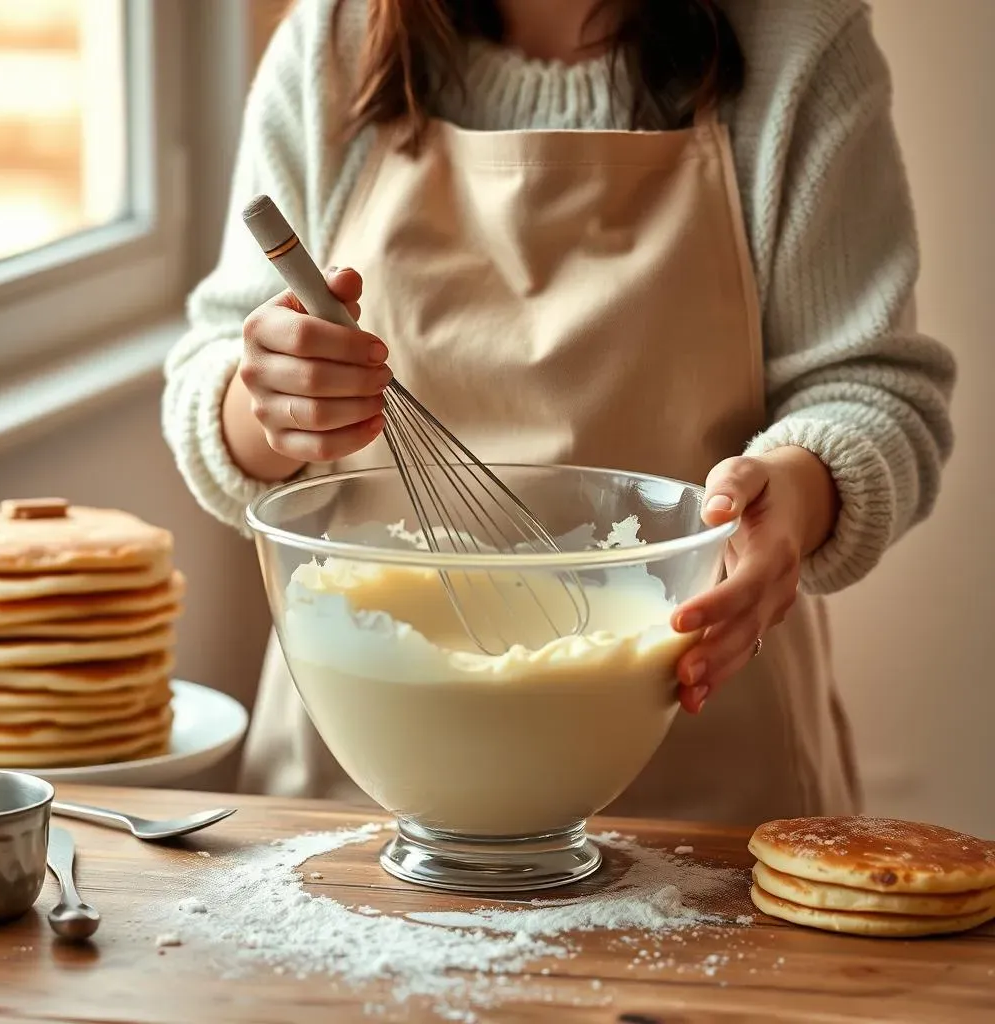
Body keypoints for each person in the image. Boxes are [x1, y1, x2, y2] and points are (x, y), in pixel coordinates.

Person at [163, 0, 956, 825]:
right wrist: (274, 402)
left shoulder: (800, 42)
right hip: (359, 786)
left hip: (694, 770)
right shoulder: (335, 42)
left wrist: (788, 498)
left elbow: (874, 390)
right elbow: (216, 375)